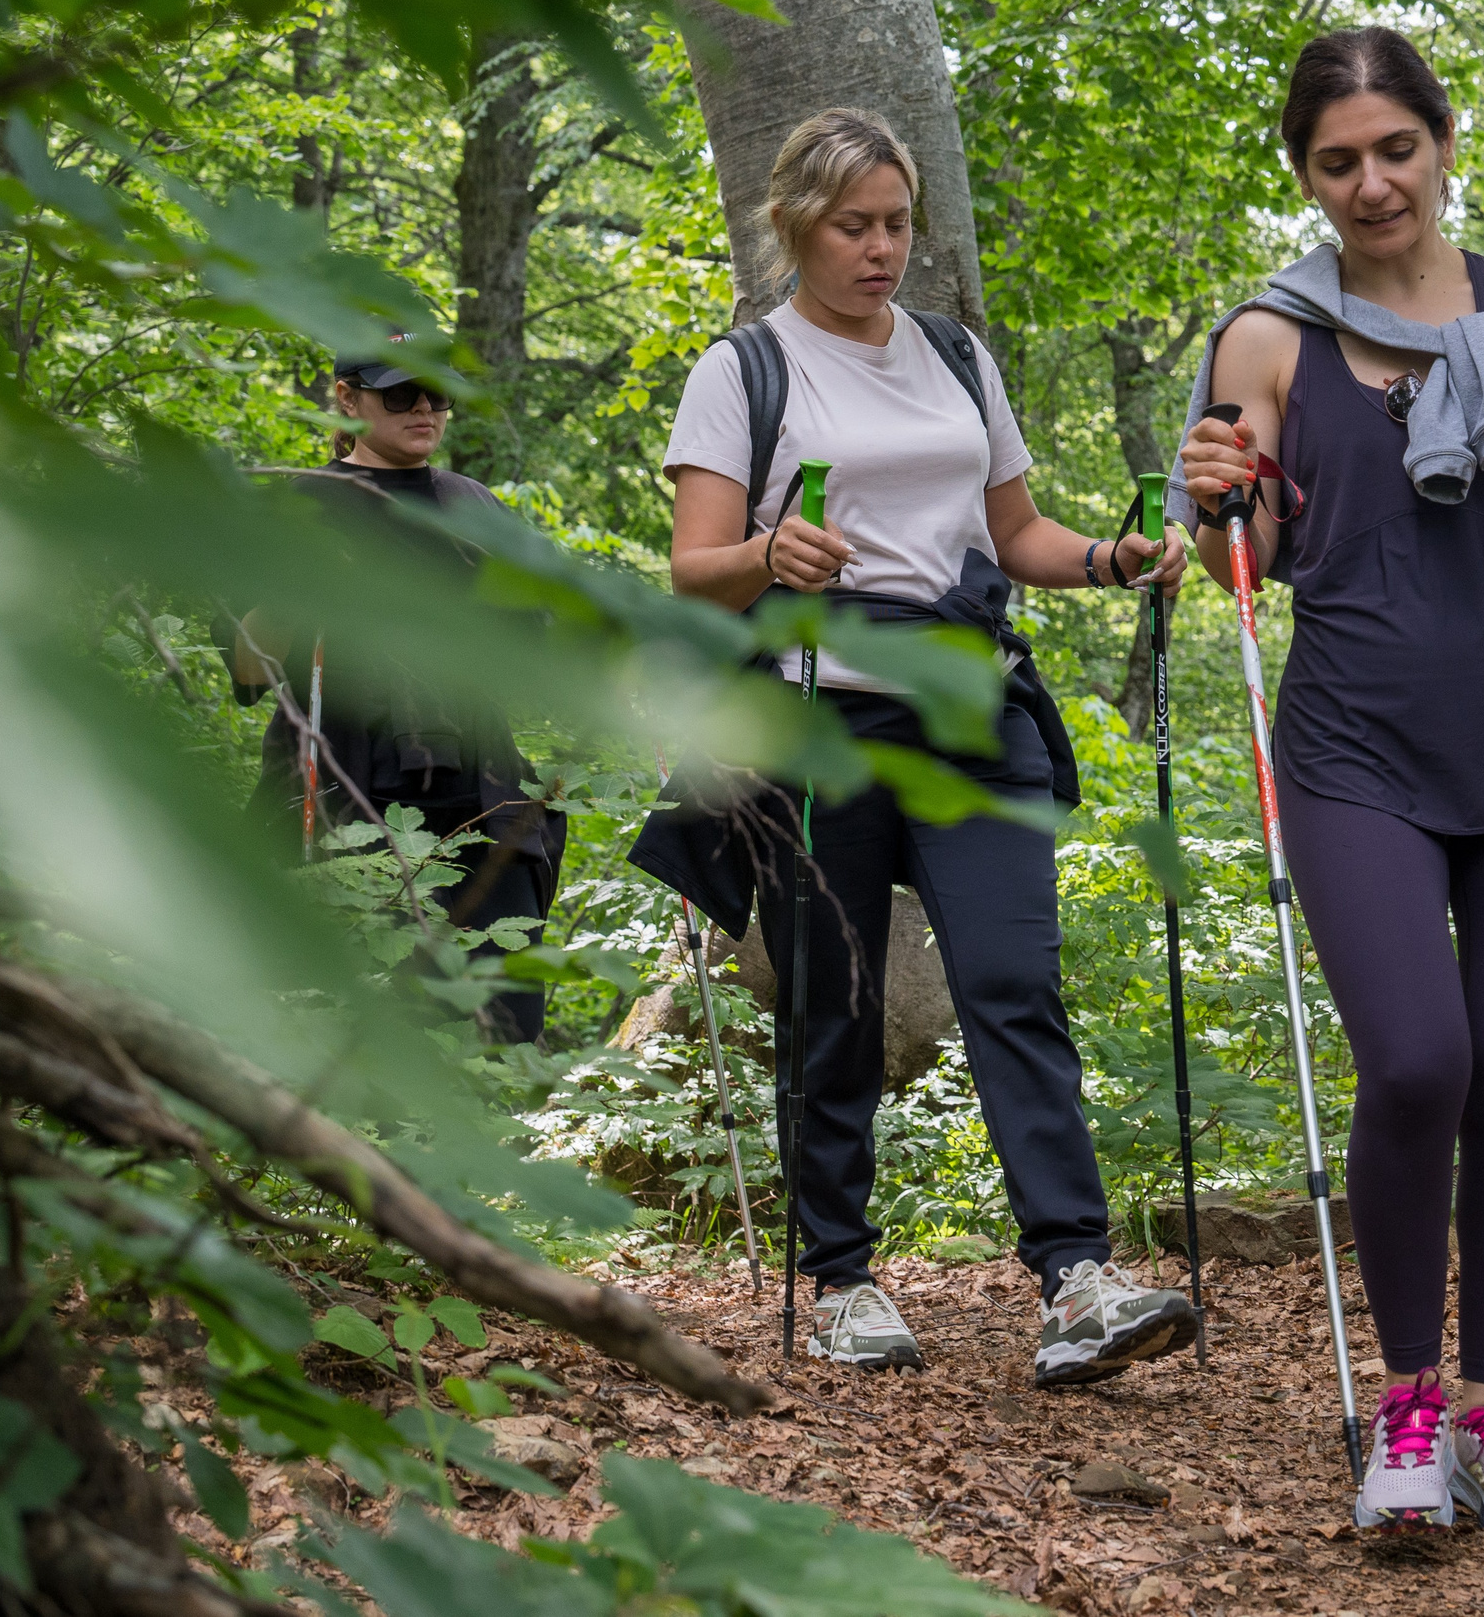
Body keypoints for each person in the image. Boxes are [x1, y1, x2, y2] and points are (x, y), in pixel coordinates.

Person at [1171, 27, 1484, 1536]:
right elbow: (1232, 555)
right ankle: (1403, 1404)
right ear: (1305, 173)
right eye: (1340, 160)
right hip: (1352, 747)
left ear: (1444, 143)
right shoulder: (1266, 336)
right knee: (1416, 1063)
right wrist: (1213, 502)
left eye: (1398, 147)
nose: (1374, 182)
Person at [637, 107, 1198, 1386]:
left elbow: (1016, 534)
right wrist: (771, 554)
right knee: (830, 1004)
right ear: (795, 226)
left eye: (896, 223)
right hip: (817, 709)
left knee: (1013, 980)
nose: (882, 248)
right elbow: (691, 573)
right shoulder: (745, 370)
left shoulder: (954, 355)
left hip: (965, 700)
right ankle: (839, 1278)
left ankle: (1074, 1276)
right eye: (855, 226)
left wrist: (1110, 561)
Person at [231, 342, 565, 1045]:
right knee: (364, 1043)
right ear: (347, 398)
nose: (424, 409)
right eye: (400, 395)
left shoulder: (473, 506)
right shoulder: (299, 499)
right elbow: (250, 669)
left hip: (482, 806)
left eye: (437, 395)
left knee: (502, 1039)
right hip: (342, 798)